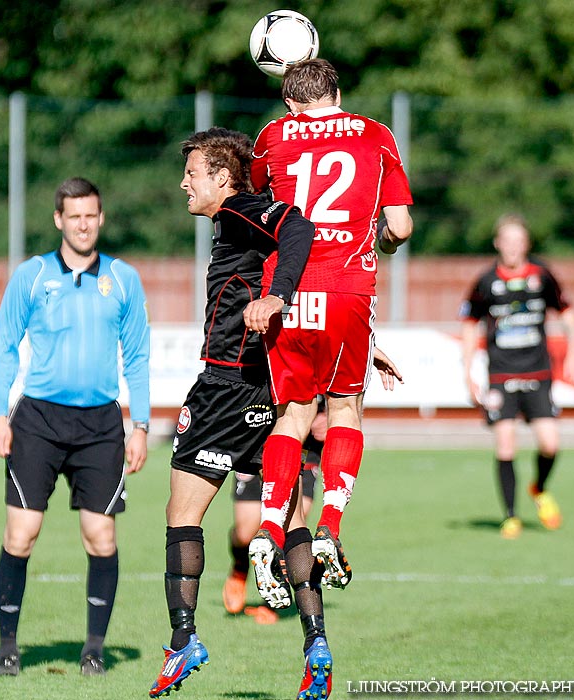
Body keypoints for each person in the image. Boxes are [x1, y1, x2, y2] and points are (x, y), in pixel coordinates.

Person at [148, 127, 316, 698]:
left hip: (227, 385)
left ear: (221, 178)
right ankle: (315, 643)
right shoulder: (231, 220)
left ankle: (184, 639)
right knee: (290, 518)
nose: (183, 182)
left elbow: (297, 228)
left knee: (181, 510)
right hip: (267, 387)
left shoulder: (241, 207)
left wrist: (279, 298)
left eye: (192, 172)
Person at [243, 57, 413, 613]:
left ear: (290, 102)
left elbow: (261, 204)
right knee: (344, 409)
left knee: (291, 414)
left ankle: (269, 526)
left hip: (287, 291)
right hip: (347, 290)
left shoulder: (273, 134)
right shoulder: (375, 133)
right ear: (337, 91)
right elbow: (400, 227)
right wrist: (383, 240)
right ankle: (330, 526)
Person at [0, 177, 150, 677]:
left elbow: (138, 355)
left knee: (100, 537)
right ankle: (9, 647)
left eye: (91, 215)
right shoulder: (32, 276)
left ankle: (94, 650)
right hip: (37, 419)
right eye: (74, 216)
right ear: (59, 219)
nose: (83, 224)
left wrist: (139, 424)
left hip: (102, 423)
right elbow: (5, 347)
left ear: (100, 218)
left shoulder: (123, 279)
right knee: (22, 534)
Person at [460, 214, 574, 539]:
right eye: (507, 241)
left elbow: (568, 312)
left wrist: (572, 353)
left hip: (539, 372)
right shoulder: (486, 282)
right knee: (505, 444)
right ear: (498, 243)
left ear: (526, 244)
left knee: (550, 444)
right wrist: (468, 371)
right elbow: (470, 324)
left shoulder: (541, 276)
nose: (512, 247)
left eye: (519, 241)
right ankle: (510, 516)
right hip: (500, 374)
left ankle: (539, 488)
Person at [222, 396, 326, 625]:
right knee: (244, 533)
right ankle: (239, 567)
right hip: (259, 434)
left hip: (303, 440)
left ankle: (271, 600)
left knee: (292, 525)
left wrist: (329, 415)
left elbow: (343, 381)